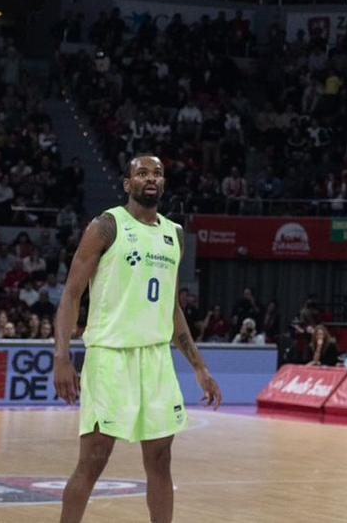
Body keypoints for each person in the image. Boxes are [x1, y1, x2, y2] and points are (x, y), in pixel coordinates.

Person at [53, 155, 221, 523]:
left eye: (157, 173)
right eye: (142, 173)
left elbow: (171, 308)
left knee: (161, 460)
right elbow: (71, 294)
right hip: (110, 356)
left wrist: (199, 367)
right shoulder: (107, 225)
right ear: (128, 184)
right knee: (94, 459)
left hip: (156, 358)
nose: (151, 178)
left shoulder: (175, 234)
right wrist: (62, 356)